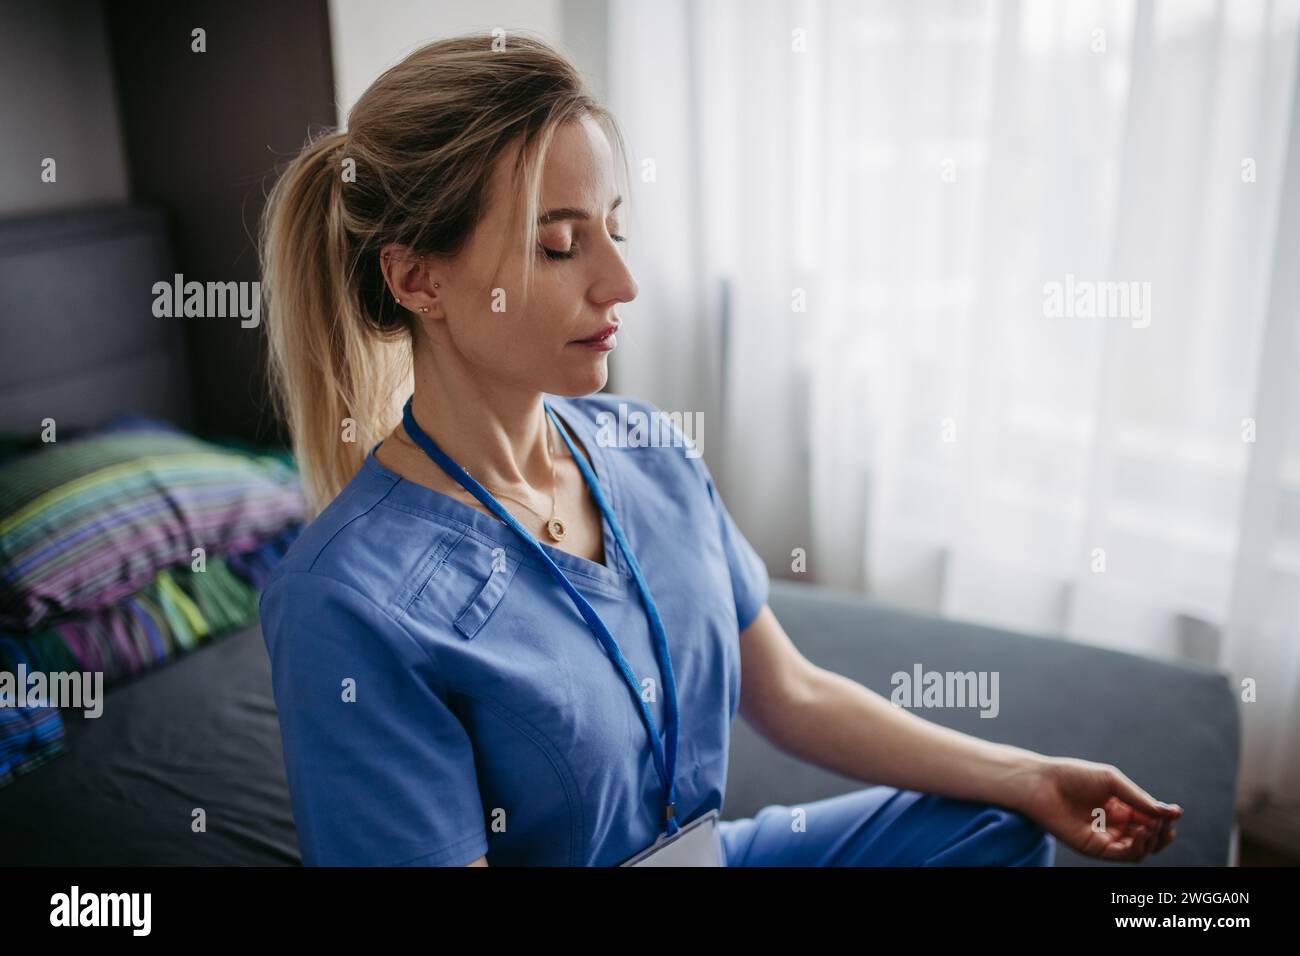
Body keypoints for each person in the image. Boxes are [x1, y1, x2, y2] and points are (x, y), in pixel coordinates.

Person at [256, 32, 1182, 867]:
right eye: (559, 246)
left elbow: (795, 695)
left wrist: (1026, 774)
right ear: (419, 278)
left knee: (998, 826)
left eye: (615, 229)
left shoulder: (650, 449)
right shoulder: (348, 603)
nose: (621, 280)